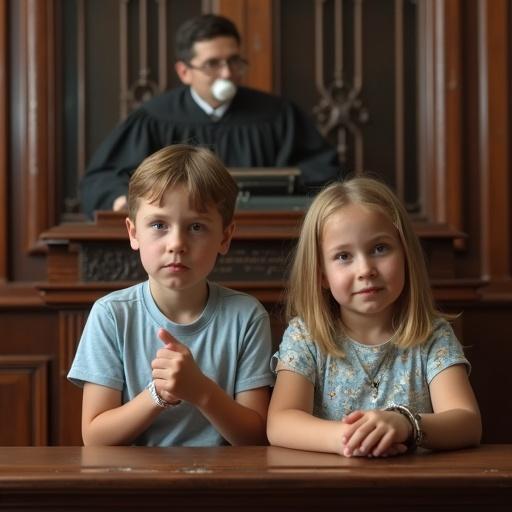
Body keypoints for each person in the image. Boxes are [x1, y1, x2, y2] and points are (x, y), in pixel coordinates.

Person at [68, 144, 274, 446]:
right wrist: (159, 394)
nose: (176, 243)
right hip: (136, 485)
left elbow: (255, 437)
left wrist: (201, 391)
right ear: (133, 233)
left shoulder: (247, 316)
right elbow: (95, 437)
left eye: (196, 227)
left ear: (225, 237)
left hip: (224, 485)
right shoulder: (111, 314)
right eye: (159, 225)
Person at [266, 177, 481, 457]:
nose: (365, 269)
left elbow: (467, 422)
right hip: (328, 490)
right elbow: (280, 422)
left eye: (380, 249)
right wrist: (354, 438)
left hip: (418, 491)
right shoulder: (305, 336)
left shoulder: (432, 334)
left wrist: (407, 424)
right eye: (344, 256)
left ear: (405, 255)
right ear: (322, 275)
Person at [80, 13, 341, 219]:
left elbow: (323, 171)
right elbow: (102, 179)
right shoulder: (153, 118)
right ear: (184, 72)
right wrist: (119, 199)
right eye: (212, 64)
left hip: (261, 237)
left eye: (234, 61)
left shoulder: (277, 115)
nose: (227, 73)